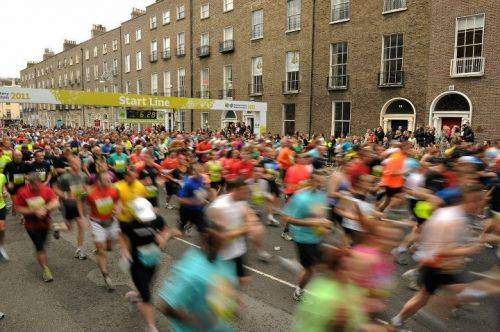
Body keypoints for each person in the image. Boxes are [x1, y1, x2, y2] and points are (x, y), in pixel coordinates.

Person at [391, 185, 485, 327]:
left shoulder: (449, 214)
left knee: (432, 295)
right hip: (438, 266)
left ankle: (400, 318)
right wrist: (470, 250)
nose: (481, 206)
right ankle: (397, 321)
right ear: (469, 201)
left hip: (440, 264)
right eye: (479, 202)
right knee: (423, 298)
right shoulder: (452, 220)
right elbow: (441, 250)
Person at [157, 229, 238, 332]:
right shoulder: (191, 272)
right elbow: (166, 306)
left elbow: (226, 286)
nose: (228, 235)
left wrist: (233, 299)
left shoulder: (222, 260)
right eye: (221, 230)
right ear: (206, 236)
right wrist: (197, 322)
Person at [121, 197, 176, 332]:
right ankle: (151, 327)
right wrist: (125, 254)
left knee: (146, 288)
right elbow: (122, 238)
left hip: (152, 260)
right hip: (137, 262)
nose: (146, 219)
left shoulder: (156, 219)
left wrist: (163, 238)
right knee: (147, 296)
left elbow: (167, 230)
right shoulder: (129, 224)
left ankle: (135, 297)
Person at [283, 169, 331, 300]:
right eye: (318, 182)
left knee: (318, 264)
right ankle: (299, 290)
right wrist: (312, 223)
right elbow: (286, 218)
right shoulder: (300, 197)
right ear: (311, 180)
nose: (322, 185)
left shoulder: (322, 195)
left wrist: (324, 224)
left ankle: (298, 266)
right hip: (303, 238)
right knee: (311, 270)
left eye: (324, 182)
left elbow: (320, 213)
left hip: (317, 236)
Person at [14, 173, 59, 282]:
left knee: (43, 244)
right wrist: (34, 211)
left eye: (39, 185)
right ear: (30, 184)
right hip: (31, 225)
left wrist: (45, 209)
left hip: (45, 223)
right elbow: (18, 208)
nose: (38, 188)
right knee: (39, 246)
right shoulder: (23, 192)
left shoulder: (46, 190)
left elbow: (55, 202)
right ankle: (45, 269)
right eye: (35, 186)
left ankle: (55, 228)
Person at [86, 172, 120, 291]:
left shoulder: (114, 190)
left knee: (110, 245)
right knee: (102, 250)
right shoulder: (91, 194)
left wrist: (117, 209)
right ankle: (106, 276)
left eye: (110, 180)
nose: (110, 182)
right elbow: (82, 204)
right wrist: (84, 218)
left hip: (112, 222)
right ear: (99, 182)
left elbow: (116, 202)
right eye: (107, 180)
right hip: (97, 223)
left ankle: (106, 245)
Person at [54, 157, 88, 259]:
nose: (76, 165)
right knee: (69, 228)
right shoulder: (65, 177)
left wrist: (86, 193)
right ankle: (57, 227)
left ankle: (79, 250)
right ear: (70, 164)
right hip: (68, 205)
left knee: (81, 226)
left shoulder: (83, 176)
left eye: (78, 163)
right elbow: (55, 188)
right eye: (74, 163)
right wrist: (64, 195)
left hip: (80, 205)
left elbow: (86, 189)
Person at [0, 171, 9, 260]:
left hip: (1, 205)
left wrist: (5, 192)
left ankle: (1, 246)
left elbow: (3, 188)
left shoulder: (2, 176)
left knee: (2, 228)